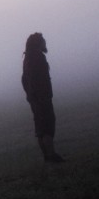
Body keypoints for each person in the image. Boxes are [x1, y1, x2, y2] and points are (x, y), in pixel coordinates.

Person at [22, 32, 64, 162]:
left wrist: (30, 95)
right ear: (38, 43)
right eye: (42, 40)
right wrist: (41, 96)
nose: (45, 42)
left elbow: (24, 79)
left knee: (40, 127)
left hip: (35, 99)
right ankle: (51, 155)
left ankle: (47, 156)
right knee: (47, 126)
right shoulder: (37, 57)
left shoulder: (27, 58)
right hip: (42, 98)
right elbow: (37, 79)